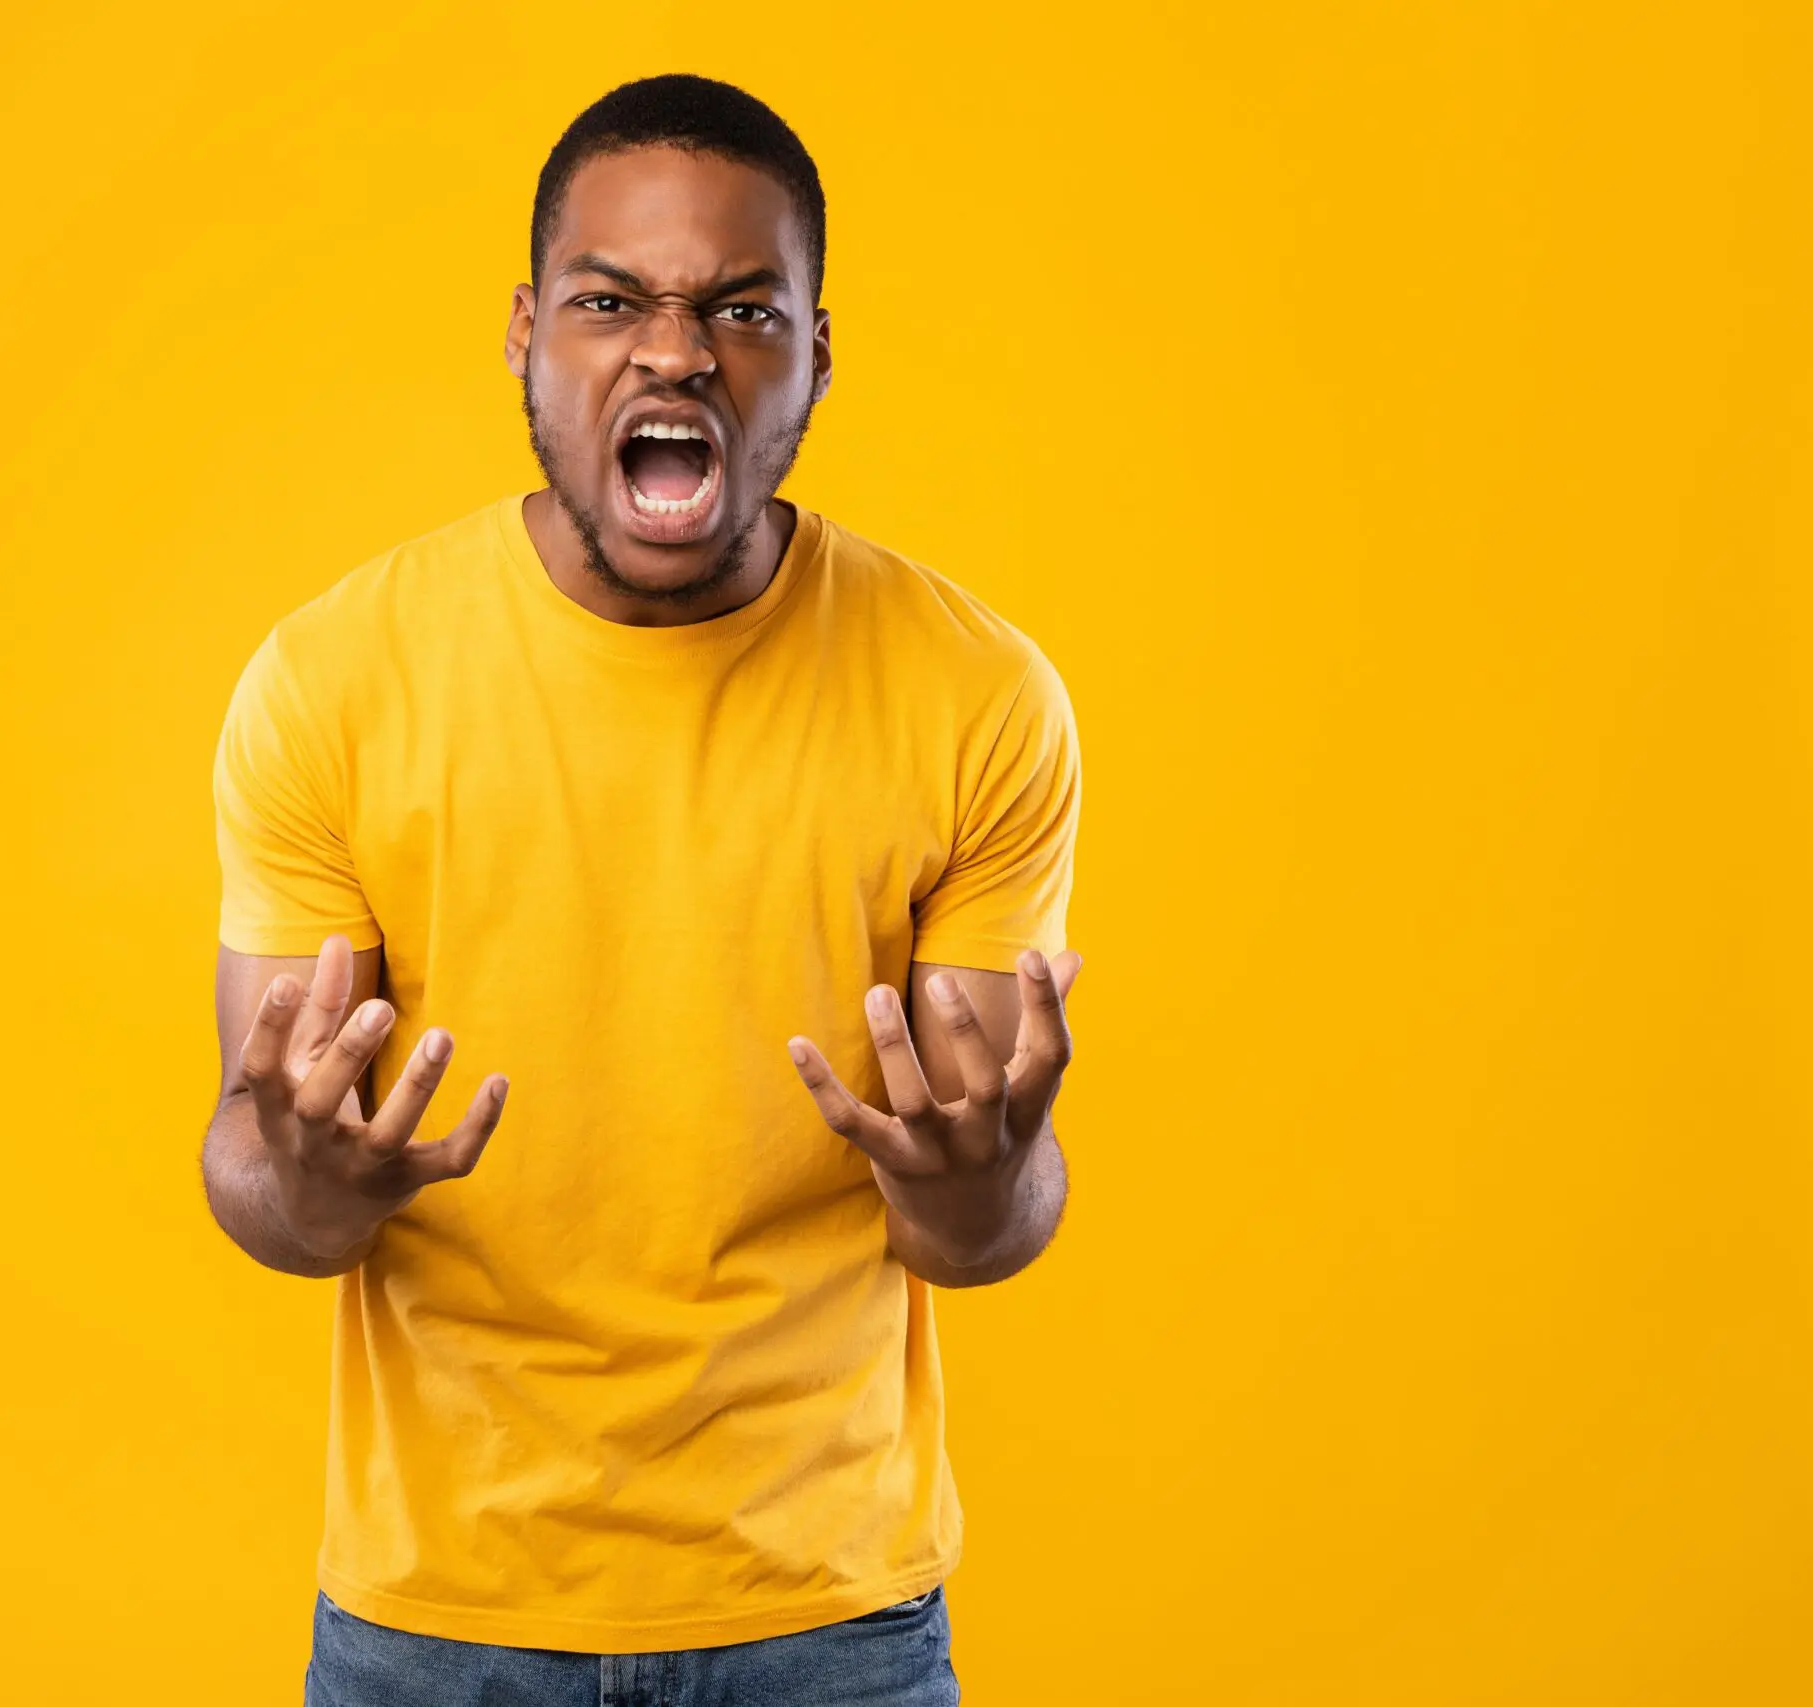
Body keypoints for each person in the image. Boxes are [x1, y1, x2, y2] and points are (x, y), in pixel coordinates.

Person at [203, 72, 1084, 1707]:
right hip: (437, 1621)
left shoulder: (976, 696)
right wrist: (318, 1169)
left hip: (830, 1613)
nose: (674, 351)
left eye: (742, 307)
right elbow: (265, 1186)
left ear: (815, 352)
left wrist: (984, 1170)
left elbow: (975, 1228)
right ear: (532, 334)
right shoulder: (333, 683)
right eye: (613, 301)